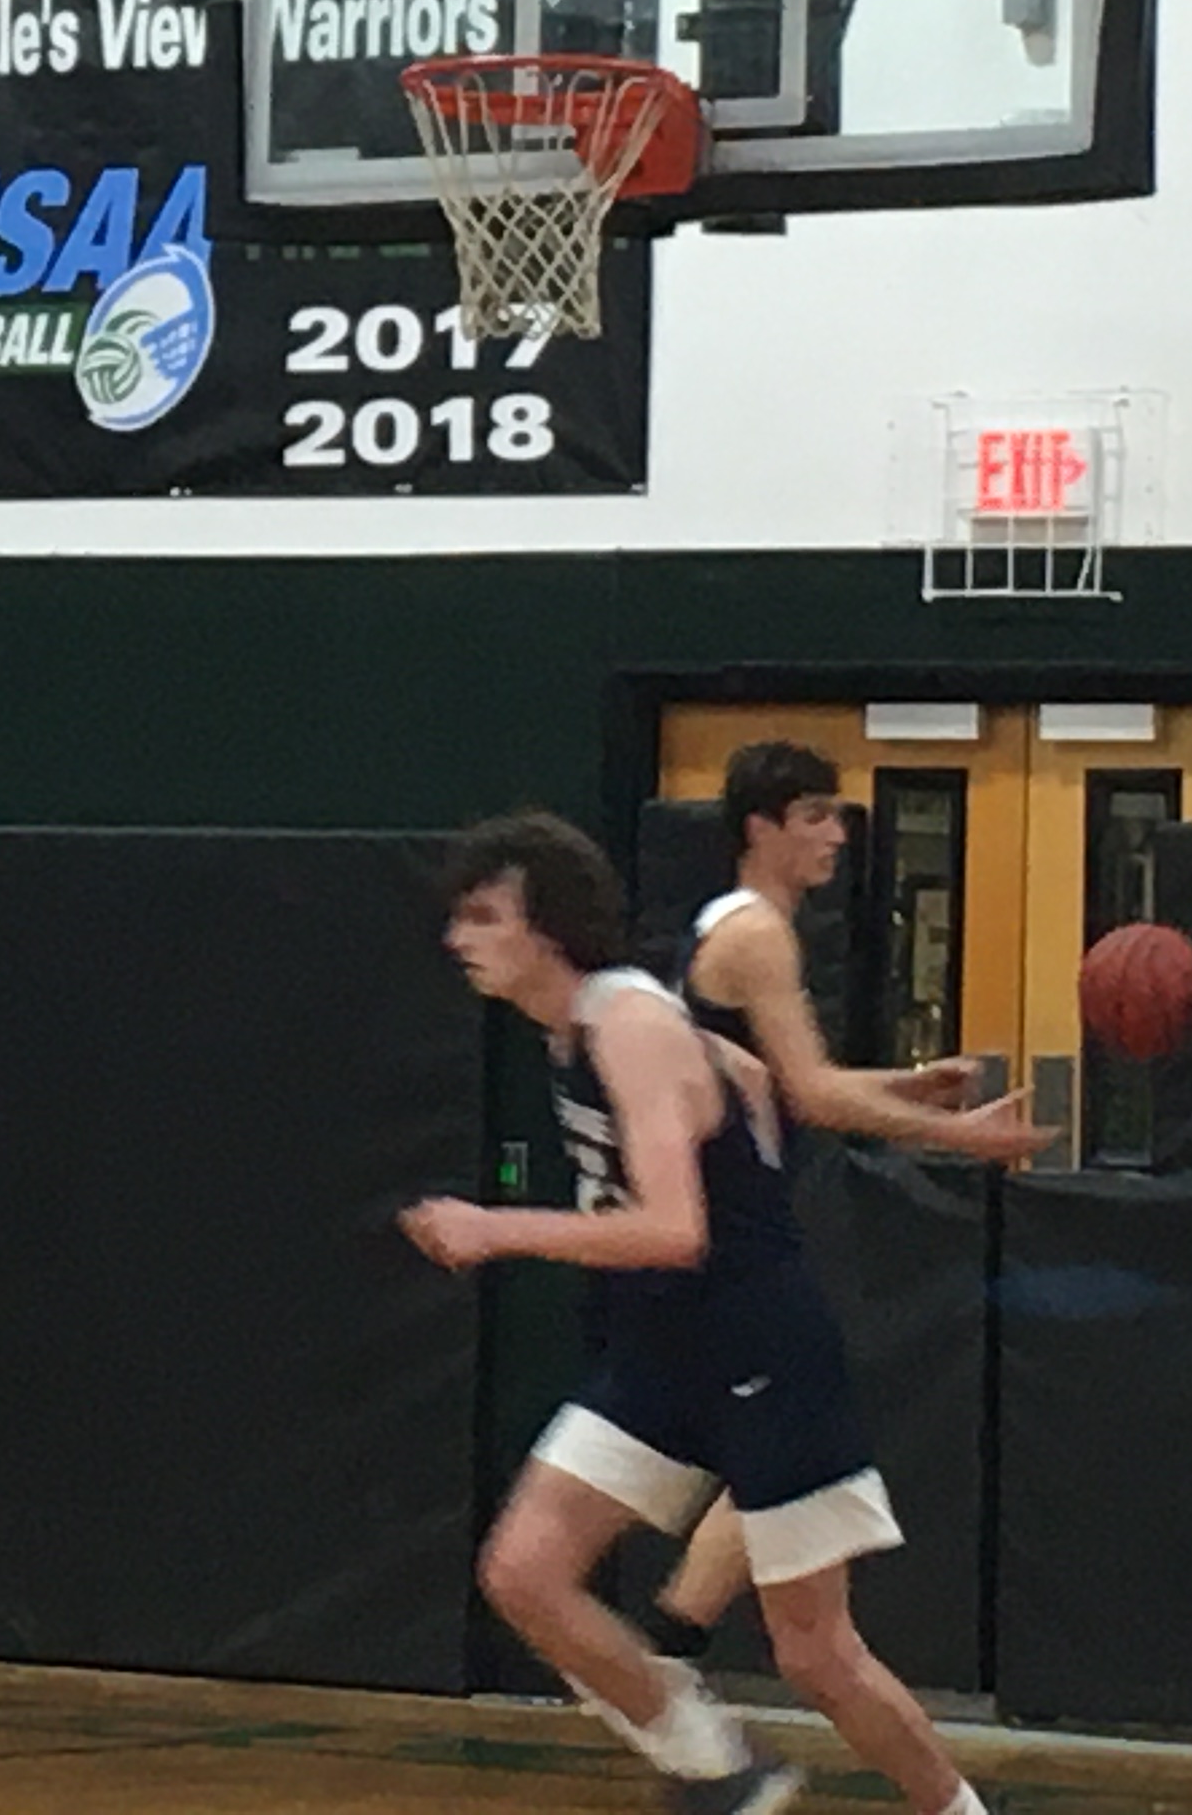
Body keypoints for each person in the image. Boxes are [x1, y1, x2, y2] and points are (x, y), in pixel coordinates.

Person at [406, 811, 1038, 1815]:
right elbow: (750, 1076)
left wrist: (495, 1228)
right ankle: (721, 1769)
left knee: (817, 1654)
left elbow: (674, 1230)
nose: (458, 938)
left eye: (484, 916)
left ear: (549, 925)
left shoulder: (628, 1027)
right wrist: (896, 1097)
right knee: (523, 1572)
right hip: (664, 1351)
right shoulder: (590, 1023)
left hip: (756, 1345)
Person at [644, 743, 1014, 1661]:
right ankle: (660, 1651)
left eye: (838, 814)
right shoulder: (757, 936)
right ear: (759, 827)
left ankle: (669, 1644)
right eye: (814, 815)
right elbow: (810, 1096)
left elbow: (787, 1078)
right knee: (789, 1444)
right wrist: (960, 1136)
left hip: (723, 1228)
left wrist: (907, 1087)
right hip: (731, 1237)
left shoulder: (729, 925)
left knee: (778, 1446)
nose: (838, 834)